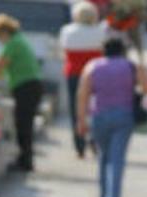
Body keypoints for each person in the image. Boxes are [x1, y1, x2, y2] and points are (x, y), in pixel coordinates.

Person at [77, 38, 147, 197]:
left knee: (103, 156)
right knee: (117, 158)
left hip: (99, 116)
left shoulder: (92, 66)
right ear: (122, 50)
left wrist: (81, 120)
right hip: (123, 115)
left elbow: (83, 94)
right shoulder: (130, 66)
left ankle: (104, 196)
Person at [0, 14, 44, 172]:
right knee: (23, 123)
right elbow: (1, 69)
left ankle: (25, 161)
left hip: (27, 86)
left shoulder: (13, 43)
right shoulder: (17, 41)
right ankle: (24, 159)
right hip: (29, 86)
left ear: (3, 32)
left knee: (23, 124)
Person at [59, 1, 105, 159]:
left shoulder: (67, 31)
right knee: (94, 107)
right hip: (95, 74)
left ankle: (79, 144)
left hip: (74, 74)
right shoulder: (100, 32)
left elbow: (62, 50)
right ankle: (94, 139)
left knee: (75, 109)